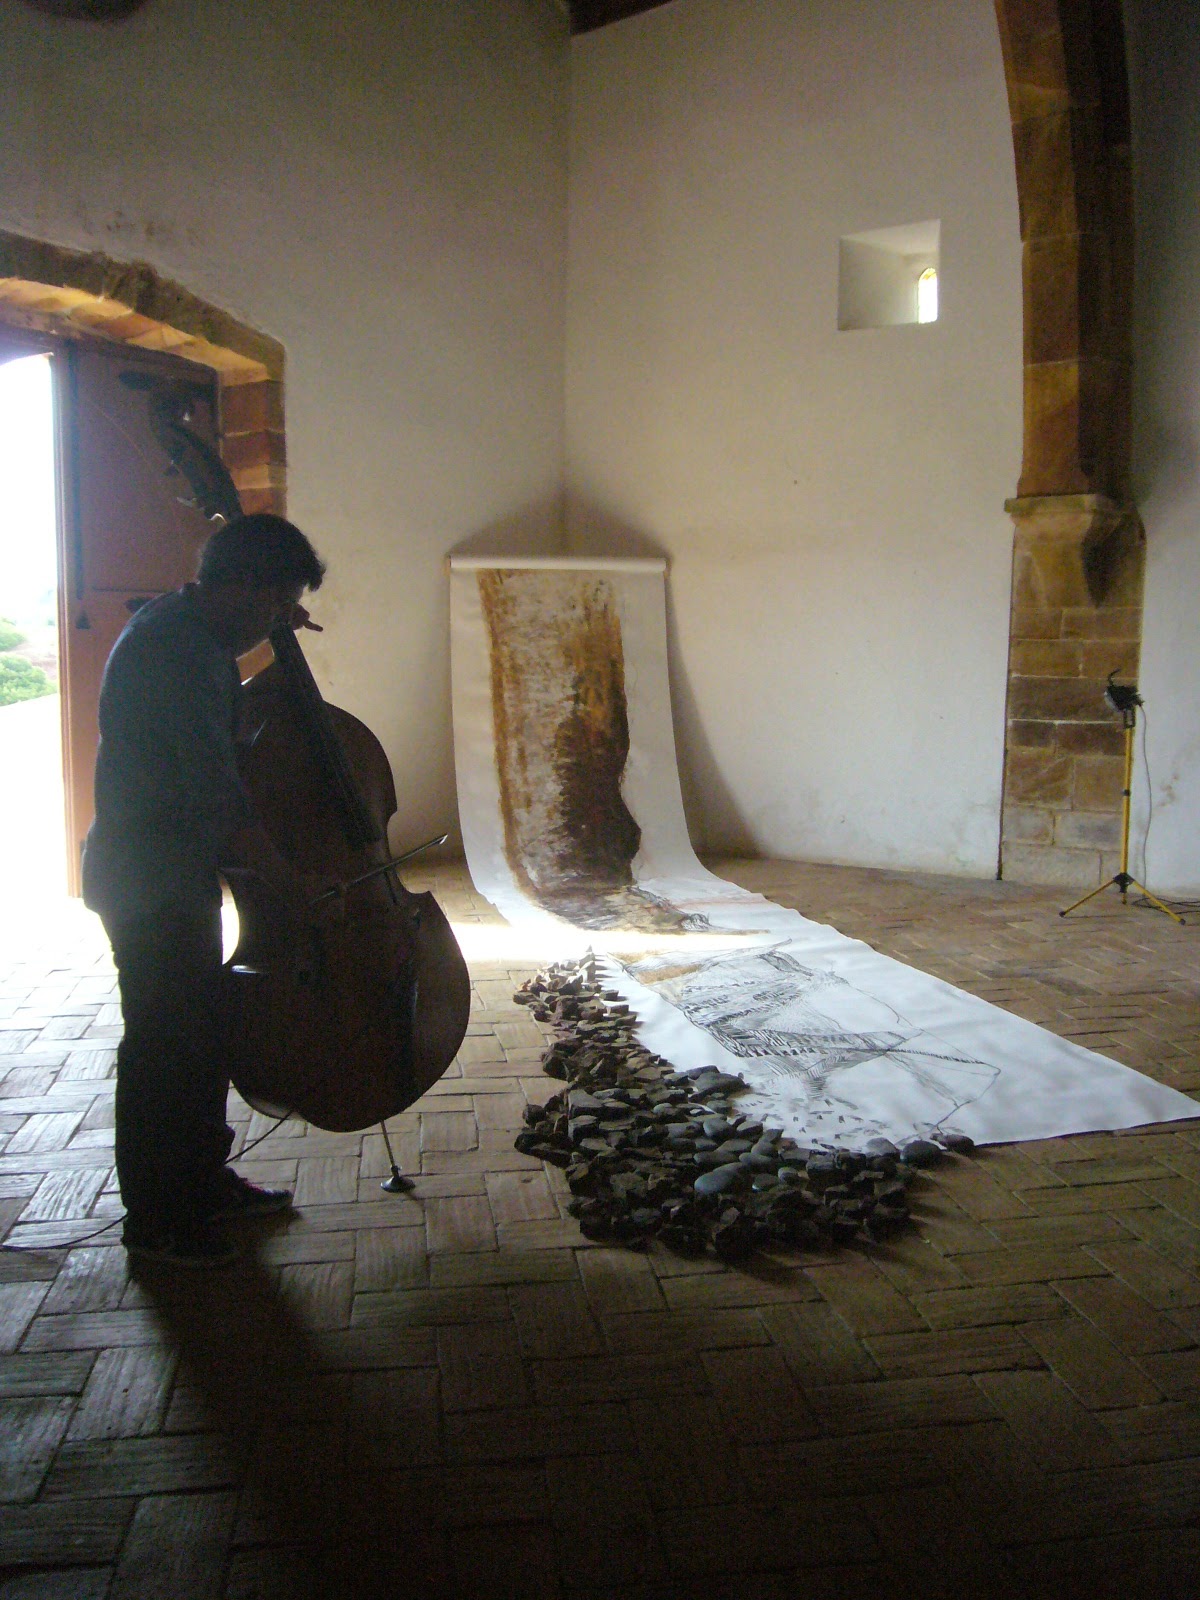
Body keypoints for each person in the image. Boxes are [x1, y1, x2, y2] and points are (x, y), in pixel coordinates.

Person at [83, 513, 328, 1268]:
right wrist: (287, 883)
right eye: (275, 601)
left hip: (170, 870)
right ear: (239, 585)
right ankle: (158, 1220)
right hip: (147, 877)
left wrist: (273, 625)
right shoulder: (176, 654)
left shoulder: (191, 629)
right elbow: (220, 800)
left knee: (197, 1030)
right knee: (164, 1043)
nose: (277, 618)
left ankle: (202, 1181)